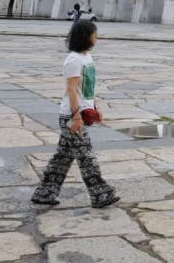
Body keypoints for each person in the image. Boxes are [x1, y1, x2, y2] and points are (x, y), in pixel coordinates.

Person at [31, 20, 118, 209]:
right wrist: (76, 117)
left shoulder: (88, 57)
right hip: (72, 116)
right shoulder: (74, 60)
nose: (96, 37)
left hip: (83, 112)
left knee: (62, 158)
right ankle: (100, 194)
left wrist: (96, 106)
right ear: (86, 36)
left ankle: (45, 193)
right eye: (94, 34)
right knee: (87, 157)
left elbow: (87, 88)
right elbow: (71, 91)